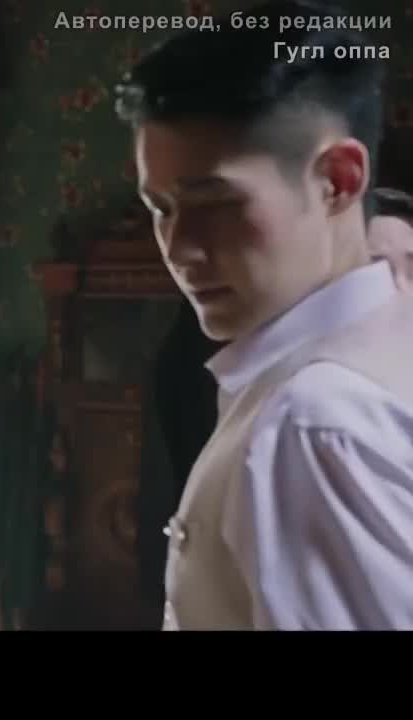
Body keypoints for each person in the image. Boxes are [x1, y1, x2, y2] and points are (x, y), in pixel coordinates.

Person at [116, 0, 413, 630]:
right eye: (162, 209)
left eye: (215, 203)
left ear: (338, 180)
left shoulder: (311, 426)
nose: (178, 247)